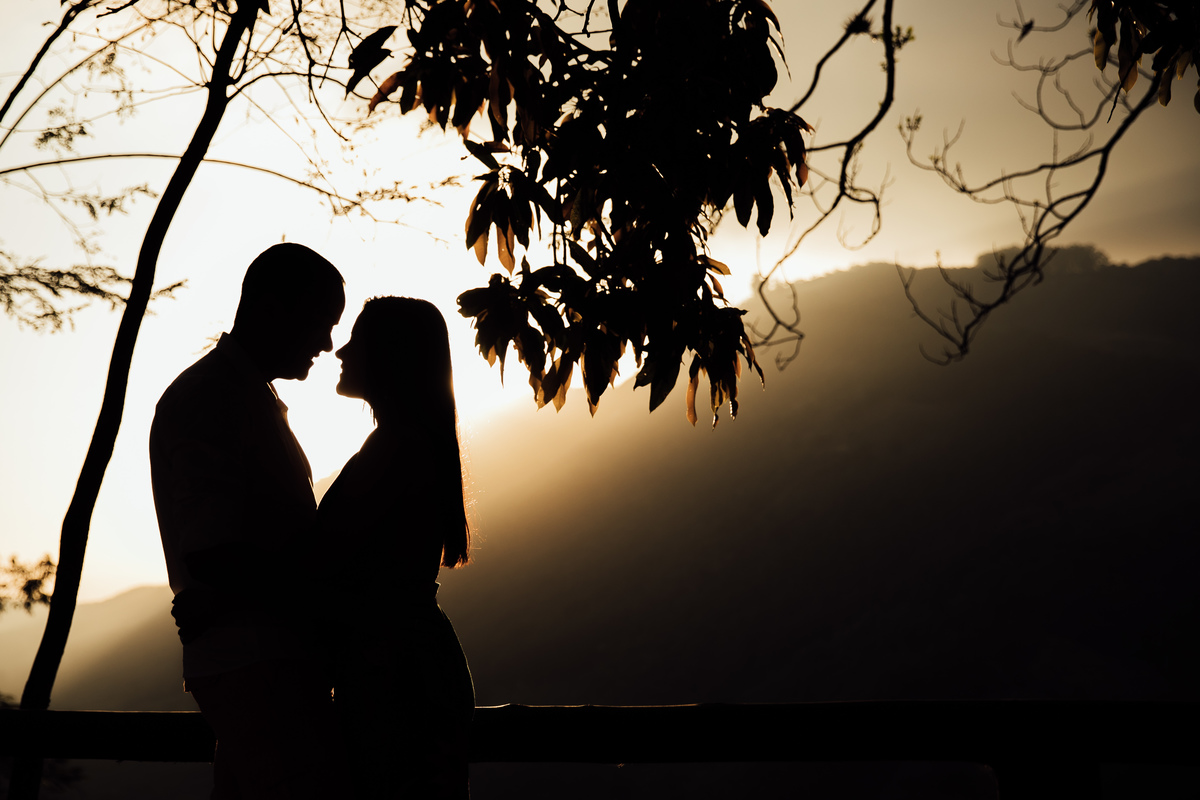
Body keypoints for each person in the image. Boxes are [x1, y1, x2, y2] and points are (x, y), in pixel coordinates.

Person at [149, 243, 347, 799]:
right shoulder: (214, 400)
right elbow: (214, 552)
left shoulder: (239, 396)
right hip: (259, 666)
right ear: (271, 307)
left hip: (262, 662)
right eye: (320, 322)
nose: (327, 343)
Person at [319, 296, 474, 798]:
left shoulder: (395, 450)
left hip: (395, 682)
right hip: (407, 670)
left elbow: (326, 561)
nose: (340, 351)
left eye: (357, 341)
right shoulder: (408, 446)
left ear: (390, 356)